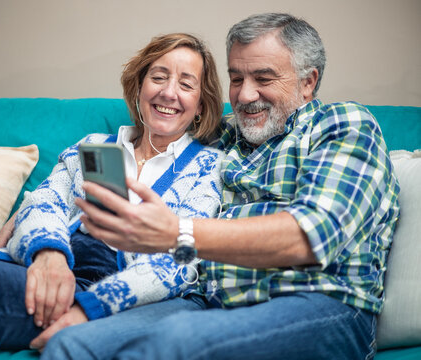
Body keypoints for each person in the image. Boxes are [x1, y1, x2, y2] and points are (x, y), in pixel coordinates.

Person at [41, 13, 400, 360]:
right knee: (73, 345)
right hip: (207, 301)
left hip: (317, 303)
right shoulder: (226, 134)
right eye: (236, 79)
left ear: (308, 82)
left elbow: (308, 236)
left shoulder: (342, 124)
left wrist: (177, 233)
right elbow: (161, 124)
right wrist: (35, 208)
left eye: (263, 78)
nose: (244, 96)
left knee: (174, 343)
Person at [0, 33, 225, 359]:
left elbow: (184, 256)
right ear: (139, 87)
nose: (168, 92)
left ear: (200, 105)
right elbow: (44, 201)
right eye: (159, 77)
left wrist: (93, 305)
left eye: (185, 84)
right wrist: (49, 255)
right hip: (48, 267)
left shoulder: (208, 167)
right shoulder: (94, 146)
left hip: (101, 289)